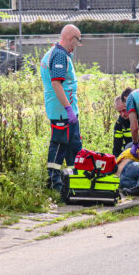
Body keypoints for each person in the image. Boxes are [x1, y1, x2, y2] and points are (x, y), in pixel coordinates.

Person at [40, 24, 84, 193]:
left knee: (73, 147)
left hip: (65, 111)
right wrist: (68, 108)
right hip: (62, 112)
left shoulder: (58, 54)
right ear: (71, 38)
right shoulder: (59, 55)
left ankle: (75, 182)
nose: (78, 45)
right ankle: (54, 183)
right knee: (59, 146)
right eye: (78, 40)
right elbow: (56, 83)